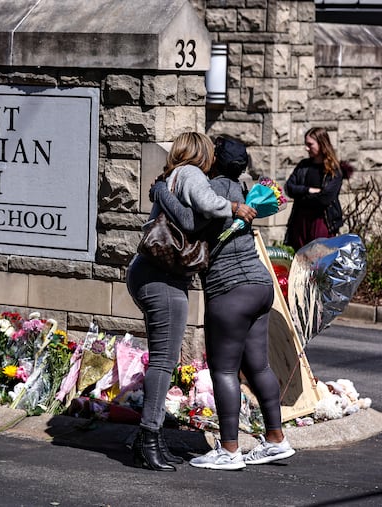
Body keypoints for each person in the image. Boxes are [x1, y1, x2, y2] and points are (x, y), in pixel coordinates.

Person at [153, 136, 296, 471]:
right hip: (261, 284)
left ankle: (229, 450)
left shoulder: (210, 189)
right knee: (258, 366)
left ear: (215, 160)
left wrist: (161, 192)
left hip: (229, 288)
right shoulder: (246, 191)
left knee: (224, 369)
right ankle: (276, 440)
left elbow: (190, 223)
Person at [126, 132, 256, 472]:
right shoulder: (192, 174)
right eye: (210, 151)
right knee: (163, 362)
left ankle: (151, 439)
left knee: (163, 360)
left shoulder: (173, 177)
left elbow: (185, 216)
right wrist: (232, 206)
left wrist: (162, 193)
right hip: (161, 279)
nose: (213, 157)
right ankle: (147, 440)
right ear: (202, 153)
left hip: (154, 275)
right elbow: (192, 217)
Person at [284, 127, 343, 250]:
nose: (307, 148)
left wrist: (301, 197)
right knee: (301, 260)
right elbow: (289, 187)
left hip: (322, 221)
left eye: (310, 144)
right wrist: (308, 190)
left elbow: (325, 199)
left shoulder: (333, 170)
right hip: (301, 221)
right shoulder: (303, 166)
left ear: (322, 144)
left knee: (320, 259)